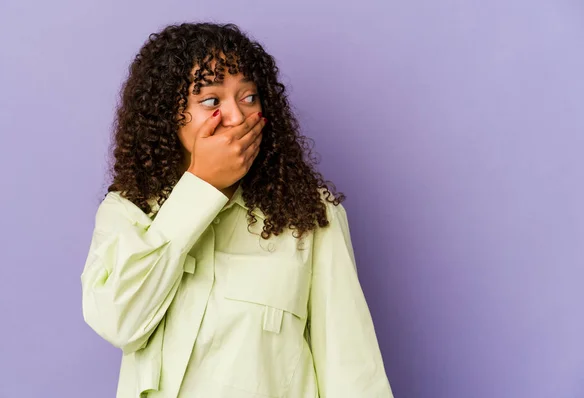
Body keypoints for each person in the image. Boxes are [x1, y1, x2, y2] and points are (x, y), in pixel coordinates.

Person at [80, 21, 394, 398]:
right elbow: (119, 323)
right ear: (166, 115)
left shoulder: (310, 215)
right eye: (211, 101)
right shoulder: (128, 212)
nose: (237, 116)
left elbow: (353, 372)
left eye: (248, 97)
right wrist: (201, 186)